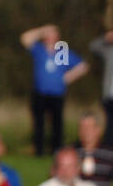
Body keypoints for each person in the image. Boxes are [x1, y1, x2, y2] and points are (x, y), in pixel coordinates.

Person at [21, 24, 88, 156]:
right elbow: (25, 38)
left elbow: (83, 66)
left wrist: (68, 77)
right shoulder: (38, 50)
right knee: (39, 124)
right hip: (40, 93)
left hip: (57, 94)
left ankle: (56, 151)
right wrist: (42, 30)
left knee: (57, 125)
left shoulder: (62, 52)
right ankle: (39, 152)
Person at [89, 29, 113, 146]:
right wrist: (106, 38)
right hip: (109, 96)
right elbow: (93, 46)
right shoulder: (109, 50)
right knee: (109, 126)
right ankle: (108, 150)